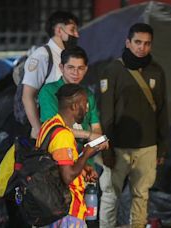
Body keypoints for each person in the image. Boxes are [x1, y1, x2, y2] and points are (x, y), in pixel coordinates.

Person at [98, 23, 169, 228]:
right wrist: (106, 148)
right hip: (117, 147)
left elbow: (162, 110)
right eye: (137, 42)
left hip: (148, 147)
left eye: (147, 43)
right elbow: (106, 114)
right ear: (127, 42)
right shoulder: (112, 71)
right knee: (111, 196)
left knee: (141, 196)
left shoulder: (157, 70)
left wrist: (162, 146)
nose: (142, 47)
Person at [36, 83, 103, 227]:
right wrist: (86, 154)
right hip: (67, 212)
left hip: (49, 207)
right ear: (74, 106)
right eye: (85, 104)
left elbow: (58, 163)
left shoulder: (49, 125)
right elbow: (67, 176)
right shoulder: (63, 136)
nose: (87, 109)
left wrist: (83, 167)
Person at [22, 11, 79, 139]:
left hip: (64, 128)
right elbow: (27, 96)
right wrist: (38, 131)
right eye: (73, 29)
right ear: (59, 30)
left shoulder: (65, 56)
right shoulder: (42, 56)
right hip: (47, 131)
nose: (77, 34)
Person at [39, 46, 105, 145]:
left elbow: (96, 126)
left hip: (85, 154)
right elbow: (53, 127)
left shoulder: (88, 93)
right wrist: (89, 135)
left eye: (80, 68)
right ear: (61, 67)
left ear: (86, 69)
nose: (75, 73)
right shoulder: (48, 91)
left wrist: (97, 141)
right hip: (59, 153)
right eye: (71, 67)